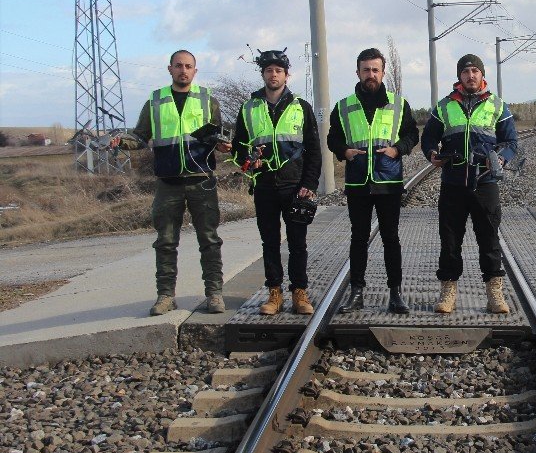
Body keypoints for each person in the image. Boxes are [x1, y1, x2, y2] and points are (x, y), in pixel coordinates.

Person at [110, 50, 229, 316]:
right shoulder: (155, 101)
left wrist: (225, 146)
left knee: (209, 240)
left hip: (202, 181)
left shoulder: (208, 99)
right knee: (165, 241)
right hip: (168, 181)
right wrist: (122, 142)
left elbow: (219, 139)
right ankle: (165, 296)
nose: (183, 70)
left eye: (188, 66)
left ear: (195, 71)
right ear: (170, 69)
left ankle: (214, 294)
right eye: (179, 66)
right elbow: (140, 136)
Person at [421, 53, 518, 314]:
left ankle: (494, 293)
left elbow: (511, 143)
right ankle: (448, 292)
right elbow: (428, 138)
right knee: (450, 240)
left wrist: (501, 158)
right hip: (453, 183)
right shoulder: (444, 106)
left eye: (475, 70)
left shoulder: (498, 106)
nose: (471, 75)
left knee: (489, 239)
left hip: (485, 184)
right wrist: (431, 153)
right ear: (459, 76)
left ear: (482, 75)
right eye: (466, 71)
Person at [328, 47, 419, 315]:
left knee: (391, 238)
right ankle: (356, 293)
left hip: (388, 181)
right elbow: (333, 138)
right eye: (366, 70)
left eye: (375, 70)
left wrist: (397, 149)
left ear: (383, 72)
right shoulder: (343, 106)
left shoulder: (399, 104)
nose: (371, 75)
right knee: (358, 238)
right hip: (357, 182)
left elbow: (412, 134)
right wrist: (344, 151)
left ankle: (396, 294)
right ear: (357, 72)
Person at [232, 49, 322, 316]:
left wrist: (310, 184)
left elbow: (314, 150)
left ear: (286, 75)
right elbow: (238, 148)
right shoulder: (248, 108)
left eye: (278, 70)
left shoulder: (301, 107)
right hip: (264, 187)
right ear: (263, 74)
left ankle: (299, 293)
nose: (274, 74)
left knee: (298, 243)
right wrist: (248, 161)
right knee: (269, 242)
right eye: (269, 70)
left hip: (295, 186)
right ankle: (274, 293)